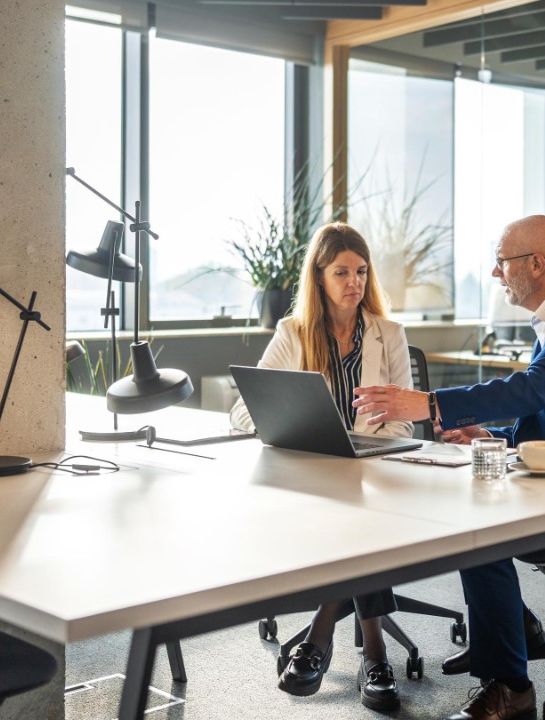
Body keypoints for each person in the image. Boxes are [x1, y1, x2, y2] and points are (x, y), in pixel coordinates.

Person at [352, 215, 545, 720]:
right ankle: (509, 630)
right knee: (464, 504)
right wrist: (491, 437)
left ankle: (511, 686)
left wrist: (430, 404)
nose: (496, 274)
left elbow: (535, 389)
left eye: (502, 262)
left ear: (536, 263)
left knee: (481, 526)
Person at [230, 222, 413, 712]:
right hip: (312, 476)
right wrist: (288, 425)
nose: (354, 281)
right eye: (341, 272)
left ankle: (321, 635)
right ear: (319, 276)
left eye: (361, 271)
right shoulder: (293, 334)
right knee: (360, 525)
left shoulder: (389, 334)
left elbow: (403, 427)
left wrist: (361, 446)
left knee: (361, 519)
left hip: (374, 474)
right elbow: (244, 408)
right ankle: (373, 657)